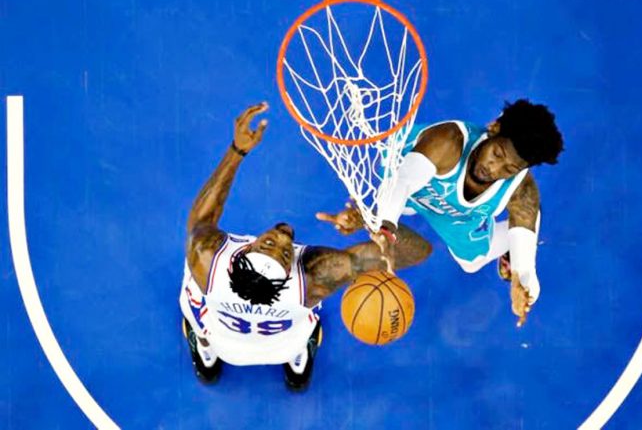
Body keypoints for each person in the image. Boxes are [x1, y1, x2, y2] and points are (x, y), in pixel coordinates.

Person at [180, 102, 431, 390]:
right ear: (289, 273)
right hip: (285, 346)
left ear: (244, 253)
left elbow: (202, 218)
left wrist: (237, 151)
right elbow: (419, 251)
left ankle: (206, 355)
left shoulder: (208, 259)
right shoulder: (314, 278)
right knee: (302, 332)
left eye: (271, 243)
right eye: (284, 251)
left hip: (222, 343)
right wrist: (371, 223)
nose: (284, 236)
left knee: (197, 311)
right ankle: (299, 361)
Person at [327, 99, 563, 327]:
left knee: (471, 263)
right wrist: (386, 230)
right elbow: (404, 182)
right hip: (411, 179)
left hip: (455, 211)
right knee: (390, 205)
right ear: (494, 128)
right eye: (497, 154)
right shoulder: (449, 140)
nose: (494, 169)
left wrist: (521, 282)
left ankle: (519, 231)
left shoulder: (522, 192)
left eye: (509, 168)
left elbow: (527, 275)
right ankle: (521, 229)